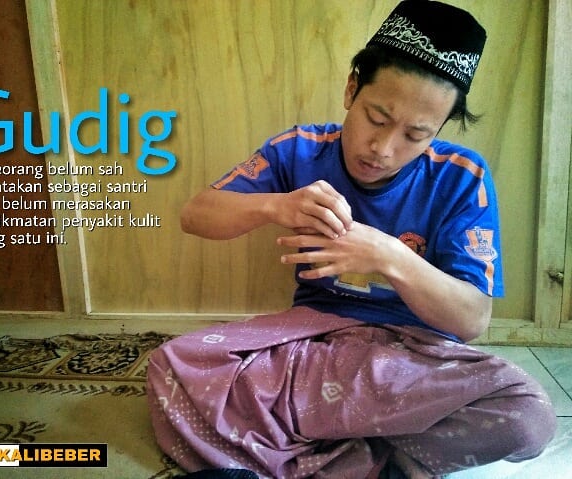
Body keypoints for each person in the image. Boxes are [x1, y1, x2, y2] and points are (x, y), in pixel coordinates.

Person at [148, 2, 556, 478]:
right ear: (351, 89)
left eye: (415, 135)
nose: (383, 148)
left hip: (412, 359)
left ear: (439, 131)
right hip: (312, 343)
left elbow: (471, 320)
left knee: (526, 416)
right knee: (173, 364)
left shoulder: (463, 177)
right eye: (377, 118)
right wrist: (275, 206)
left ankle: (294, 449)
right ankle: (368, 453)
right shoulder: (299, 149)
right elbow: (195, 215)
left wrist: (388, 255)